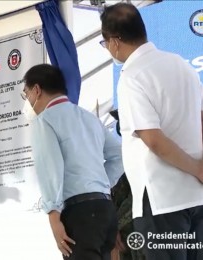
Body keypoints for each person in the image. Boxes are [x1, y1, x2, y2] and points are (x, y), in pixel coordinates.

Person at [101, 3, 203, 260]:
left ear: (114, 42)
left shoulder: (132, 76)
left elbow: (153, 140)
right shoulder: (181, 65)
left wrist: (196, 168)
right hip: (196, 196)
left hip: (161, 198)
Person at [21, 64, 123, 260]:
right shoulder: (90, 118)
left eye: (26, 94)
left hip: (79, 213)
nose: (28, 100)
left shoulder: (44, 121)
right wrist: (101, 185)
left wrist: (53, 213)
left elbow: (50, 167)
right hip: (105, 208)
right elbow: (118, 155)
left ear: (37, 90)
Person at [109, 109, 145, 260]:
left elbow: (143, 198)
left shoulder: (149, 155)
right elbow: (116, 194)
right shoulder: (131, 158)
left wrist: (115, 225)